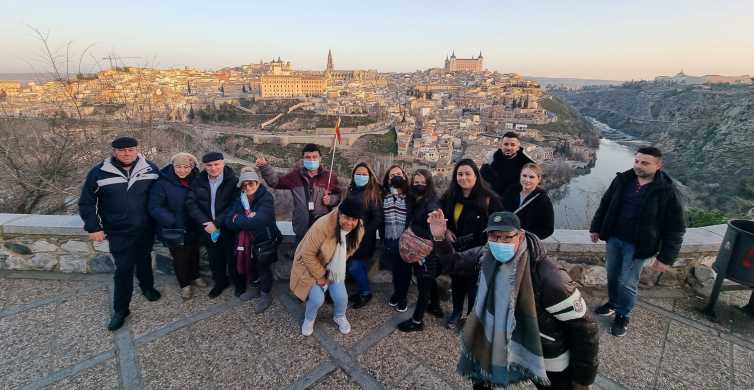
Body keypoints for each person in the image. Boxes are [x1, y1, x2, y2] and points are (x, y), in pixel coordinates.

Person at [430, 210, 599, 390]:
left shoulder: (551, 278)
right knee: (482, 380)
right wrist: (440, 238)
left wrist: (583, 379)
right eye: (494, 237)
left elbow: (585, 328)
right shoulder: (485, 256)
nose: (499, 243)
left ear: (520, 235)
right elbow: (454, 263)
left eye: (506, 237)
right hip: (495, 340)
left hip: (543, 351)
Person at [589, 146, 685, 337]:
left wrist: (666, 257)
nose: (638, 166)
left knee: (627, 282)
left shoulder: (667, 191)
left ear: (658, 165)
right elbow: (606, 203)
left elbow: (676, 228)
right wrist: (596, 227)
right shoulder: (623, 180)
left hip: (639, 246)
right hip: (615, 239)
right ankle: (613, 304)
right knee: (612, 275)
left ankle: (623, 315)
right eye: (637, 161)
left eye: (645, 163)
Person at [79, 136, 161, 331]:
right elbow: (86, 202)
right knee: (123, 269)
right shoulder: (100, 172)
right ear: (114, 151)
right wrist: (93, 227)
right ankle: (121, 310)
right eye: (122, 150)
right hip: (118, 231)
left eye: (131, 149)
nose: (126, 153)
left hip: (145, 228)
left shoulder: (150, 169)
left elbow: (163, 193)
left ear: (137, 150)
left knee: (144, 259)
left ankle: (147, 287)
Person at [440, 159, 502, 329]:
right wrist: (446, 230)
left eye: (468, 174)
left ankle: (472, 318)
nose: (463, 177)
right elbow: (439, 215)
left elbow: (498, 226)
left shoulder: (490, 200)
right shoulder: (450, 197)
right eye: (460, 174)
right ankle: (457, 312)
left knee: (475, 287)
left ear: (476, 176)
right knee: (458, 284)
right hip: (457, 251)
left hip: (480, 253)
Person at [289, 197, 365, 336]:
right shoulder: (323, 225)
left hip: (334, 265)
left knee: (342, 297)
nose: (350, 223)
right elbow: (307, 254)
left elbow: (349, 251)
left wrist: (333, 271)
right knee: (317, 299)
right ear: (339, 213)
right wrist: (321, 276)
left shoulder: (359, 229)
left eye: (354, 219)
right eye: (346, 217)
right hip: (310, 266)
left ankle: (339, 316)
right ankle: (309, 318)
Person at [148, 152, 206, 300]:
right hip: (174, 228)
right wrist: (172, 221)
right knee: (180, 257)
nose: (182, 170)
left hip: (194, 225)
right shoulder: (162, 182)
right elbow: (155, 207)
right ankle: (184, 284)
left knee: (194, 253)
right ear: (172, 166)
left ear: (192, 167)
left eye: (186, 167)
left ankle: (195, 275)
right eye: (178, 167)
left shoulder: (197, 180)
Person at [256, 143, 342, 243]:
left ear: (320, 158)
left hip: (321, 228)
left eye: (315, 157)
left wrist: (331, 200)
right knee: (300, 256)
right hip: (301, 229)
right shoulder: (295, 176)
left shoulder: (329, 177)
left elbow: (338, 195)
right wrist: (265, 167)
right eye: (308, 157)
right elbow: (275, 182)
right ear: (303, 159)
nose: (311, 160)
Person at [186, 152, 242, 298]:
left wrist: (216, 223)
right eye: (209, 165)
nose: (213, 168)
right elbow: (191, 203)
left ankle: (238, 283)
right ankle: (220, 283)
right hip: (207, 228)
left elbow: (234, 205)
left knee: (232, 258)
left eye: (216, 164)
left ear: (223, 163)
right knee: (214, 258)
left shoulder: (233, 180)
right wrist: (206, 222)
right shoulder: (198, 181)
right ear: (205, 166)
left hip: (227, 226)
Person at [225, 167, 280, 314]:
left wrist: (238, 218)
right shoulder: (239, 198)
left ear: (257, 183)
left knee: (264, 268)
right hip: (246, 241)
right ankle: (254, 289)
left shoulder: (266, 197)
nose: (248, 187)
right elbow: (228, 219)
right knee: (250, 266)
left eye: (251, 183)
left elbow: (260, 220)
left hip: (264, 239)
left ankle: (265, 295)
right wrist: (244, 218)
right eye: (244, 184)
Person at [397, 169, 444, 332]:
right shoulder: (417, 199)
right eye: (416, 182)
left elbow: (435, 227)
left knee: (423, 284)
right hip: (421, 248)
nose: (419, 185)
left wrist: (414, 234)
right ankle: (436, 306)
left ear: (429, 183)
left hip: (426, 250)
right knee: (429, 279)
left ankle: (417, 321)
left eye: (423, 183)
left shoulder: (431, 203)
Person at [344, 162, 383, 309]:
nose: (361, 176)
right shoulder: (351, 191)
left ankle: (366, 293)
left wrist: (363, 233)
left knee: (355, 267)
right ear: (353, 175)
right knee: (353, 266)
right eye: (358, 174)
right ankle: (361, 290)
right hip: (349, 237)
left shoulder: (373, 194)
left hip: (364, 239)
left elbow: (378, 218)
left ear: (370, 176)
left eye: (364, 174)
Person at [380, 165, 411, 313]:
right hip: (389, 238)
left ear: (404, 176)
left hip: (407, 240)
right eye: (392, 175)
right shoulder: (383, 195)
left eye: (398, 174)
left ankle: (403, 296)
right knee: (395, 269)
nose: (396, 177)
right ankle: (397, 292)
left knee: (405, 270)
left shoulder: (411, 195)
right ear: (387, 179)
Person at [501, 162, 555, 240]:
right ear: (520, 176)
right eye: (524, 176)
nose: (527, 180)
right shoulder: (511, 191)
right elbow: (500, 211)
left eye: (531, 177)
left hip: (525, 243)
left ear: (538, 179)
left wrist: (524, 235)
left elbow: (548, 229)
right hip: (505, 238)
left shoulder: (543, 200)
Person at [480, 132, 534, 197]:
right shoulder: (491, 160)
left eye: (513, 145)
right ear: (501, 145)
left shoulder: (526, 164)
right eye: (506, 144)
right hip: (493, 200)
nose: (509, 148)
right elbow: (481, 181)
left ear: (518, 147)